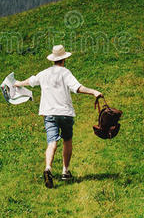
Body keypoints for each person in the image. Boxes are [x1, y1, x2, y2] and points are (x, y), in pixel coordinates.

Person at [14, 45, 103, 188]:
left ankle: (48, 168)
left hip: (49, 113)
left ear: (53, 59)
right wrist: (94, 92)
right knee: (67, 140)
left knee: (52, 142)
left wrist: (17, 83)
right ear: (64, 59)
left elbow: (31, 81)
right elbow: (77, 88)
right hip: (65, 113)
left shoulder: (44, 73)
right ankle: (65, 172)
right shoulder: (65, 73)